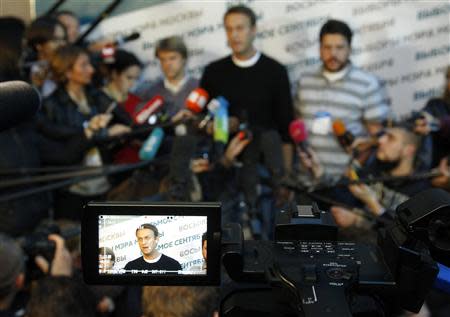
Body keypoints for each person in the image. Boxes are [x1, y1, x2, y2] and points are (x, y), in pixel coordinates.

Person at [200, 5, 294, 229]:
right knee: (224, 239)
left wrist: (284, 179)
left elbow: (286, 130)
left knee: (265, 238)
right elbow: (202, 123)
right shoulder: (213, 72)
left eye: (240, 28)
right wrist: (214, 127)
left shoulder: (275, 71)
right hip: (225, 169)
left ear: (254, 30)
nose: (234, 35)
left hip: (265, 174)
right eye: (229, 29)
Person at [295, 19, 391, 177]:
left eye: (339, 47)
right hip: (307, 180)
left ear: (350, 49)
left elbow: (378, 135)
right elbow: (297, 124)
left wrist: (354, 169)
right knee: (305, 204)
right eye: (327, 47)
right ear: (319, 49)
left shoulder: (366, 83)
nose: (333, 54)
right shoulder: (304, 80)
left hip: (347, 183)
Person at [136, 36, 198, 119]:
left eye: (172, 58)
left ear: (184, 59)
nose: (167, 64)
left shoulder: (200, 86)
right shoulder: (149, 93)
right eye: (163, 59)